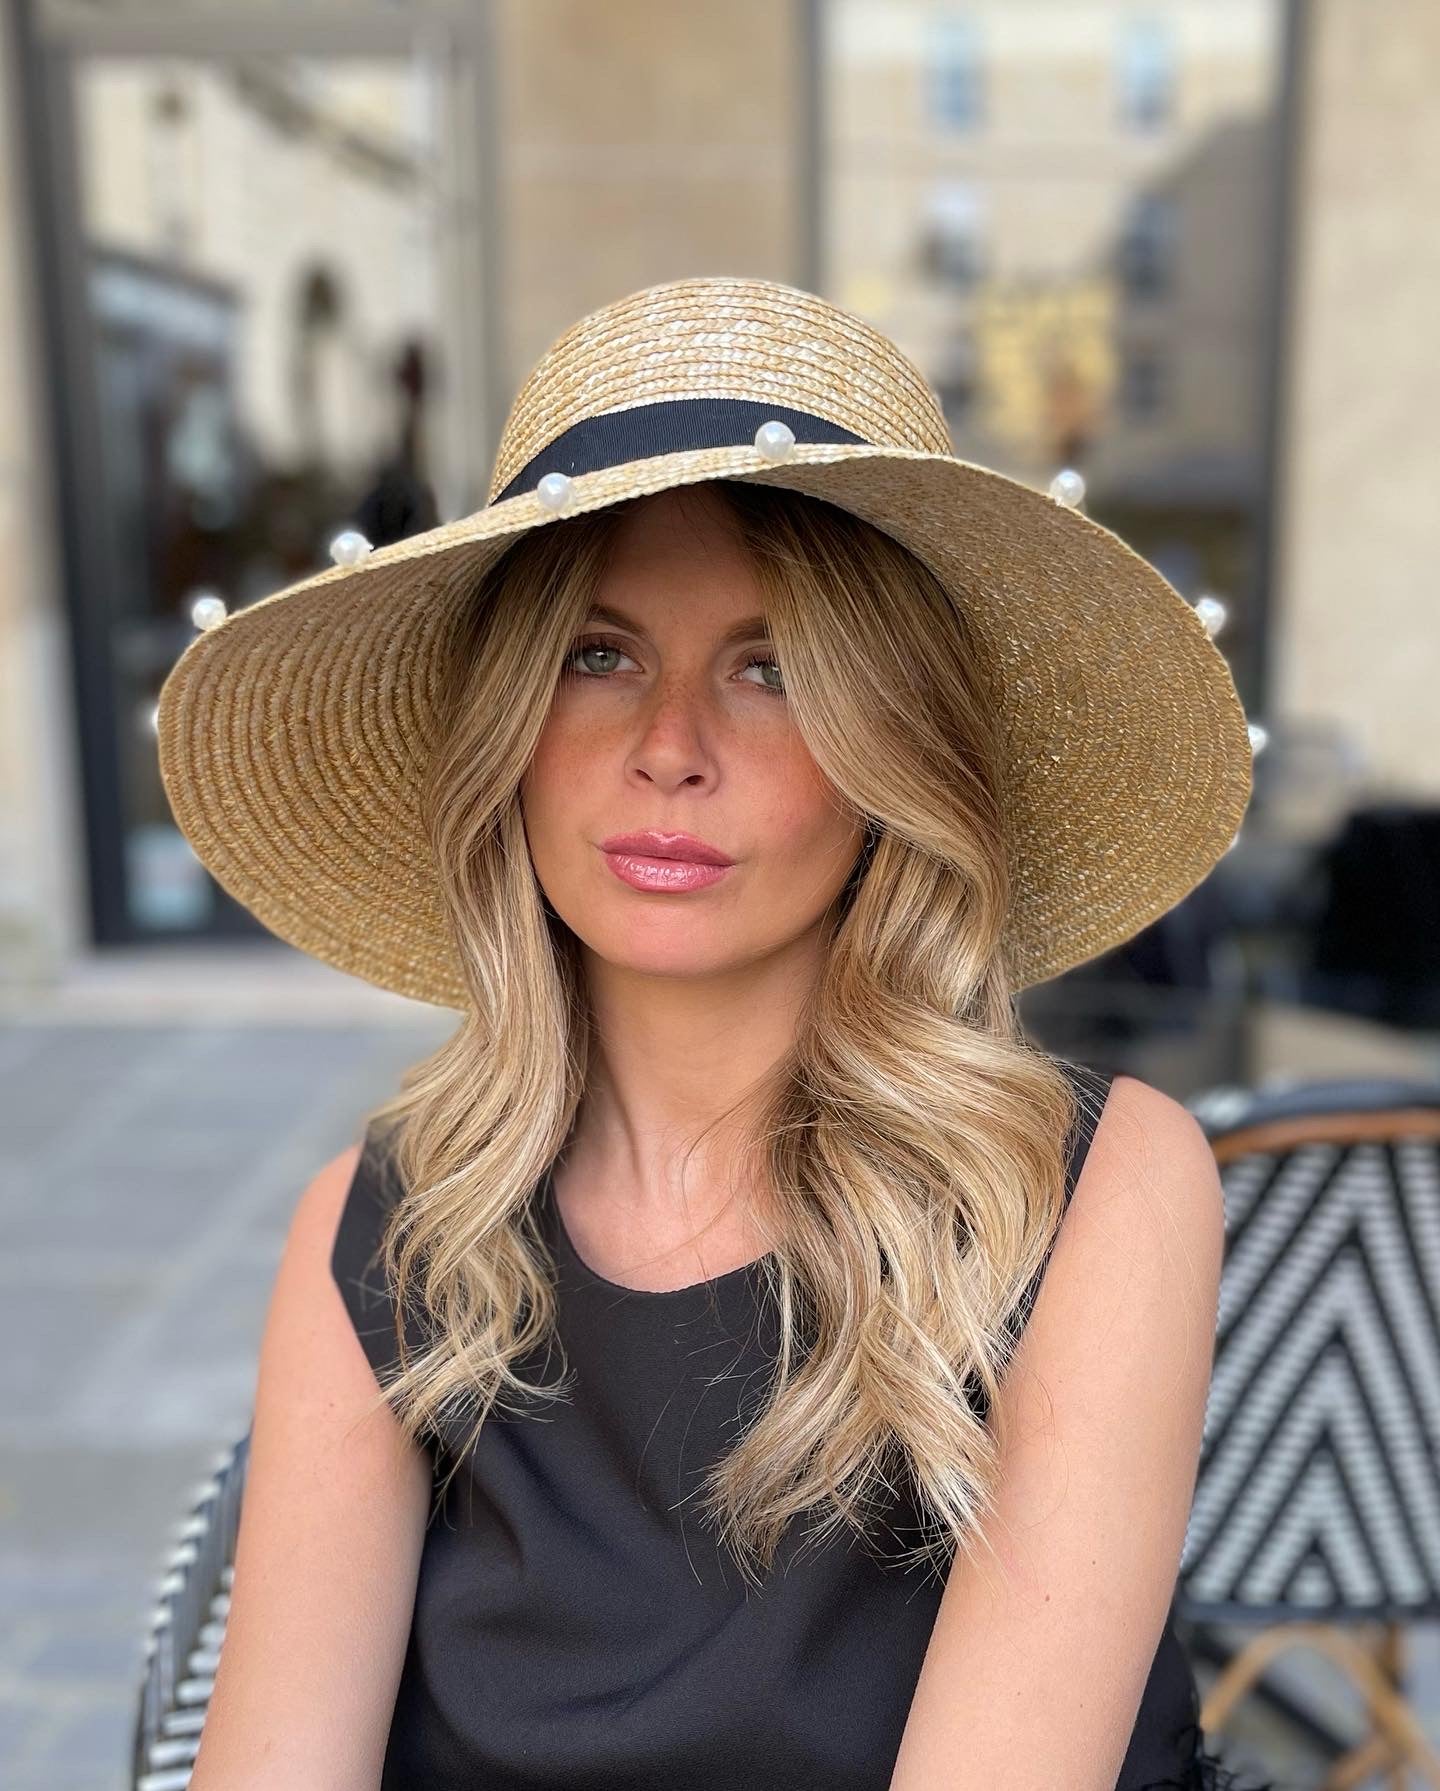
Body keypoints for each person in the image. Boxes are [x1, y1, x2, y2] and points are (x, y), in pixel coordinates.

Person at [156, 275, 1271, 1789]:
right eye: (598, 656)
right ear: (508, 739)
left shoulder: (1090, 1196)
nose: (670, 750)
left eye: (775, 670)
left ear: (895, 756)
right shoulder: (385, 1234)